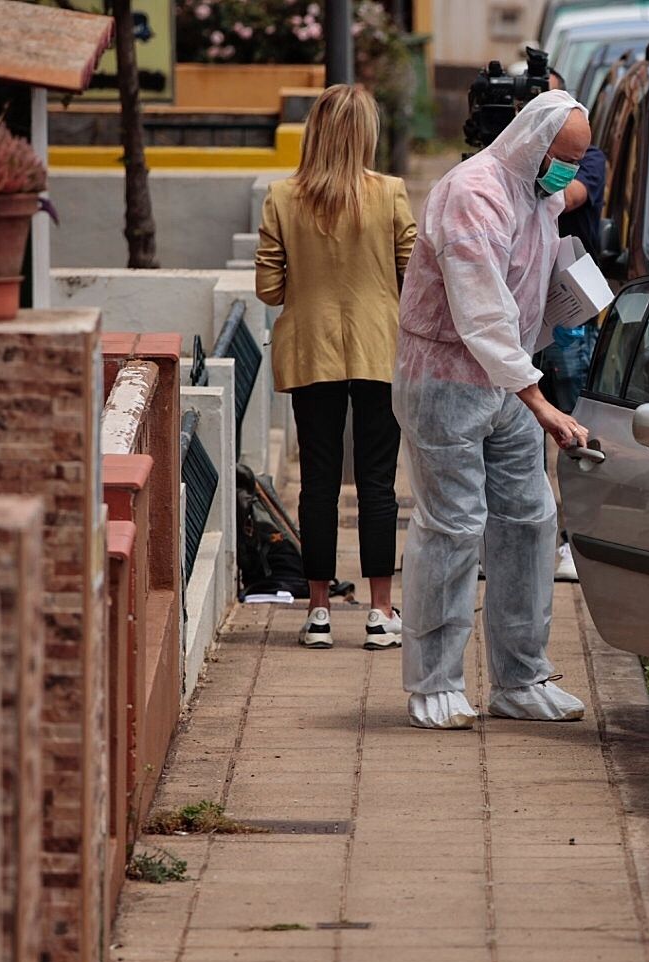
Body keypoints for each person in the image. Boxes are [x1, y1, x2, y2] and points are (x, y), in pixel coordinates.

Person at [394, 90, 593, 731]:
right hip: (447, 381)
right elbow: (481, 312)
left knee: (529, 521)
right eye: (561, 158)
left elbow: (569, 197)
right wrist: (541, 403)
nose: (566, 171)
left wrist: (585, 185)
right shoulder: (473, 194)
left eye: (577, 161)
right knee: (453, 527)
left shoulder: (536, 190)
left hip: (505, 383)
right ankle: (434, 682)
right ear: (531, 142)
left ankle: (521, 676)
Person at [255, 83, 415, 652]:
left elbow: (269, 289)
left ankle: (319, 612)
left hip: (310, 348)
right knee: (377, 482)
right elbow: (413, 280)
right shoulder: (392, 195)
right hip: (380, 348)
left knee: (318, 483)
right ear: (366, 134)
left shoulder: (281, 197)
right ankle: (378, 612)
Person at [540, 68, 608, 582]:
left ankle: (574, 538)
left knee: (571, 422)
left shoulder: (587, 159)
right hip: (518, 312)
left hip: (566, 316)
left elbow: (569, 196)